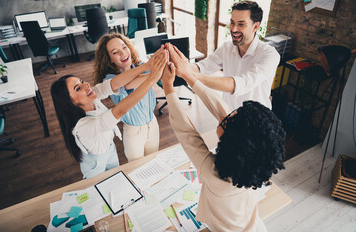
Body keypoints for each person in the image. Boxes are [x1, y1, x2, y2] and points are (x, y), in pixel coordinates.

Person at [162, 44, 285, 231]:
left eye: (229, 120)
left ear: (231, 141)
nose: (226, 114)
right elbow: (222, 111)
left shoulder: (214, 174)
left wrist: (168, 88)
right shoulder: (253, 164)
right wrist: (188, 76)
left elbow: (186, 132)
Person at [50, 50, 167, 179]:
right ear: (70, 102)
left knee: (116, 178)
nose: (86, 85)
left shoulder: (91, 96)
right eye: (78, 88)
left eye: (82, 81)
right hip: (95, 163)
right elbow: (119, 111)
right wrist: (152, 79)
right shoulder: (82, 127)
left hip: (110, 149)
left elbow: (113, 84)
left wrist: (147, 66)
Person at [187, 0, 280, 110]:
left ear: (255, 27)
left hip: (256, 121)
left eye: (241, 24)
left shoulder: (269, 55)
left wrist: (193, 77)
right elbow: (203, 66)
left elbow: (242, 83)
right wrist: (183, 66)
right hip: (229, 114)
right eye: (232, 23)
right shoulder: (227, 48)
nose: (234, 29)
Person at [93, 33, 159, 162]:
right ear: (110, 59)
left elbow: (151, 74)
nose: (123, 53)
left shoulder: (143, 66)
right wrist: (155, 73)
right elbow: (128, 84)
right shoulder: (110, 80)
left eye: (124, 47)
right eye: (115, 52)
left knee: (154, 161)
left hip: (152, 123)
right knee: (137, 169)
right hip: (133, 132)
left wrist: (158, 69)